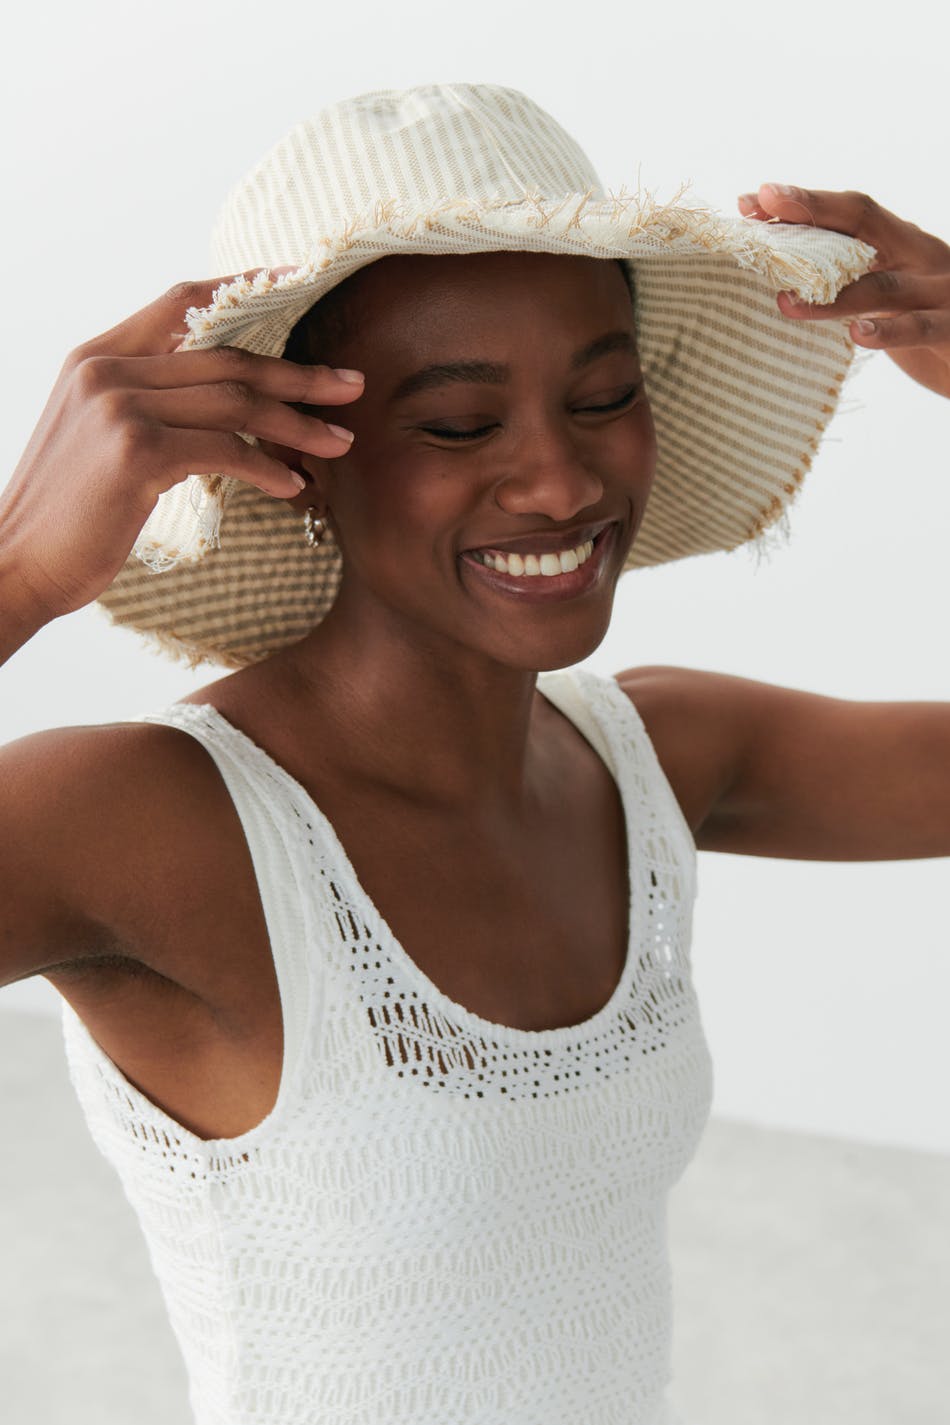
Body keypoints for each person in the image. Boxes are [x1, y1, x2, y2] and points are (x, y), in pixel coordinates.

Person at [0, 84, 947, 1425]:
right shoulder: (152, 820)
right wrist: (18, 573)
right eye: (457, 424)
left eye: (602, 395)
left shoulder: (654, 757)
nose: (562, 483)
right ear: (294, 455)